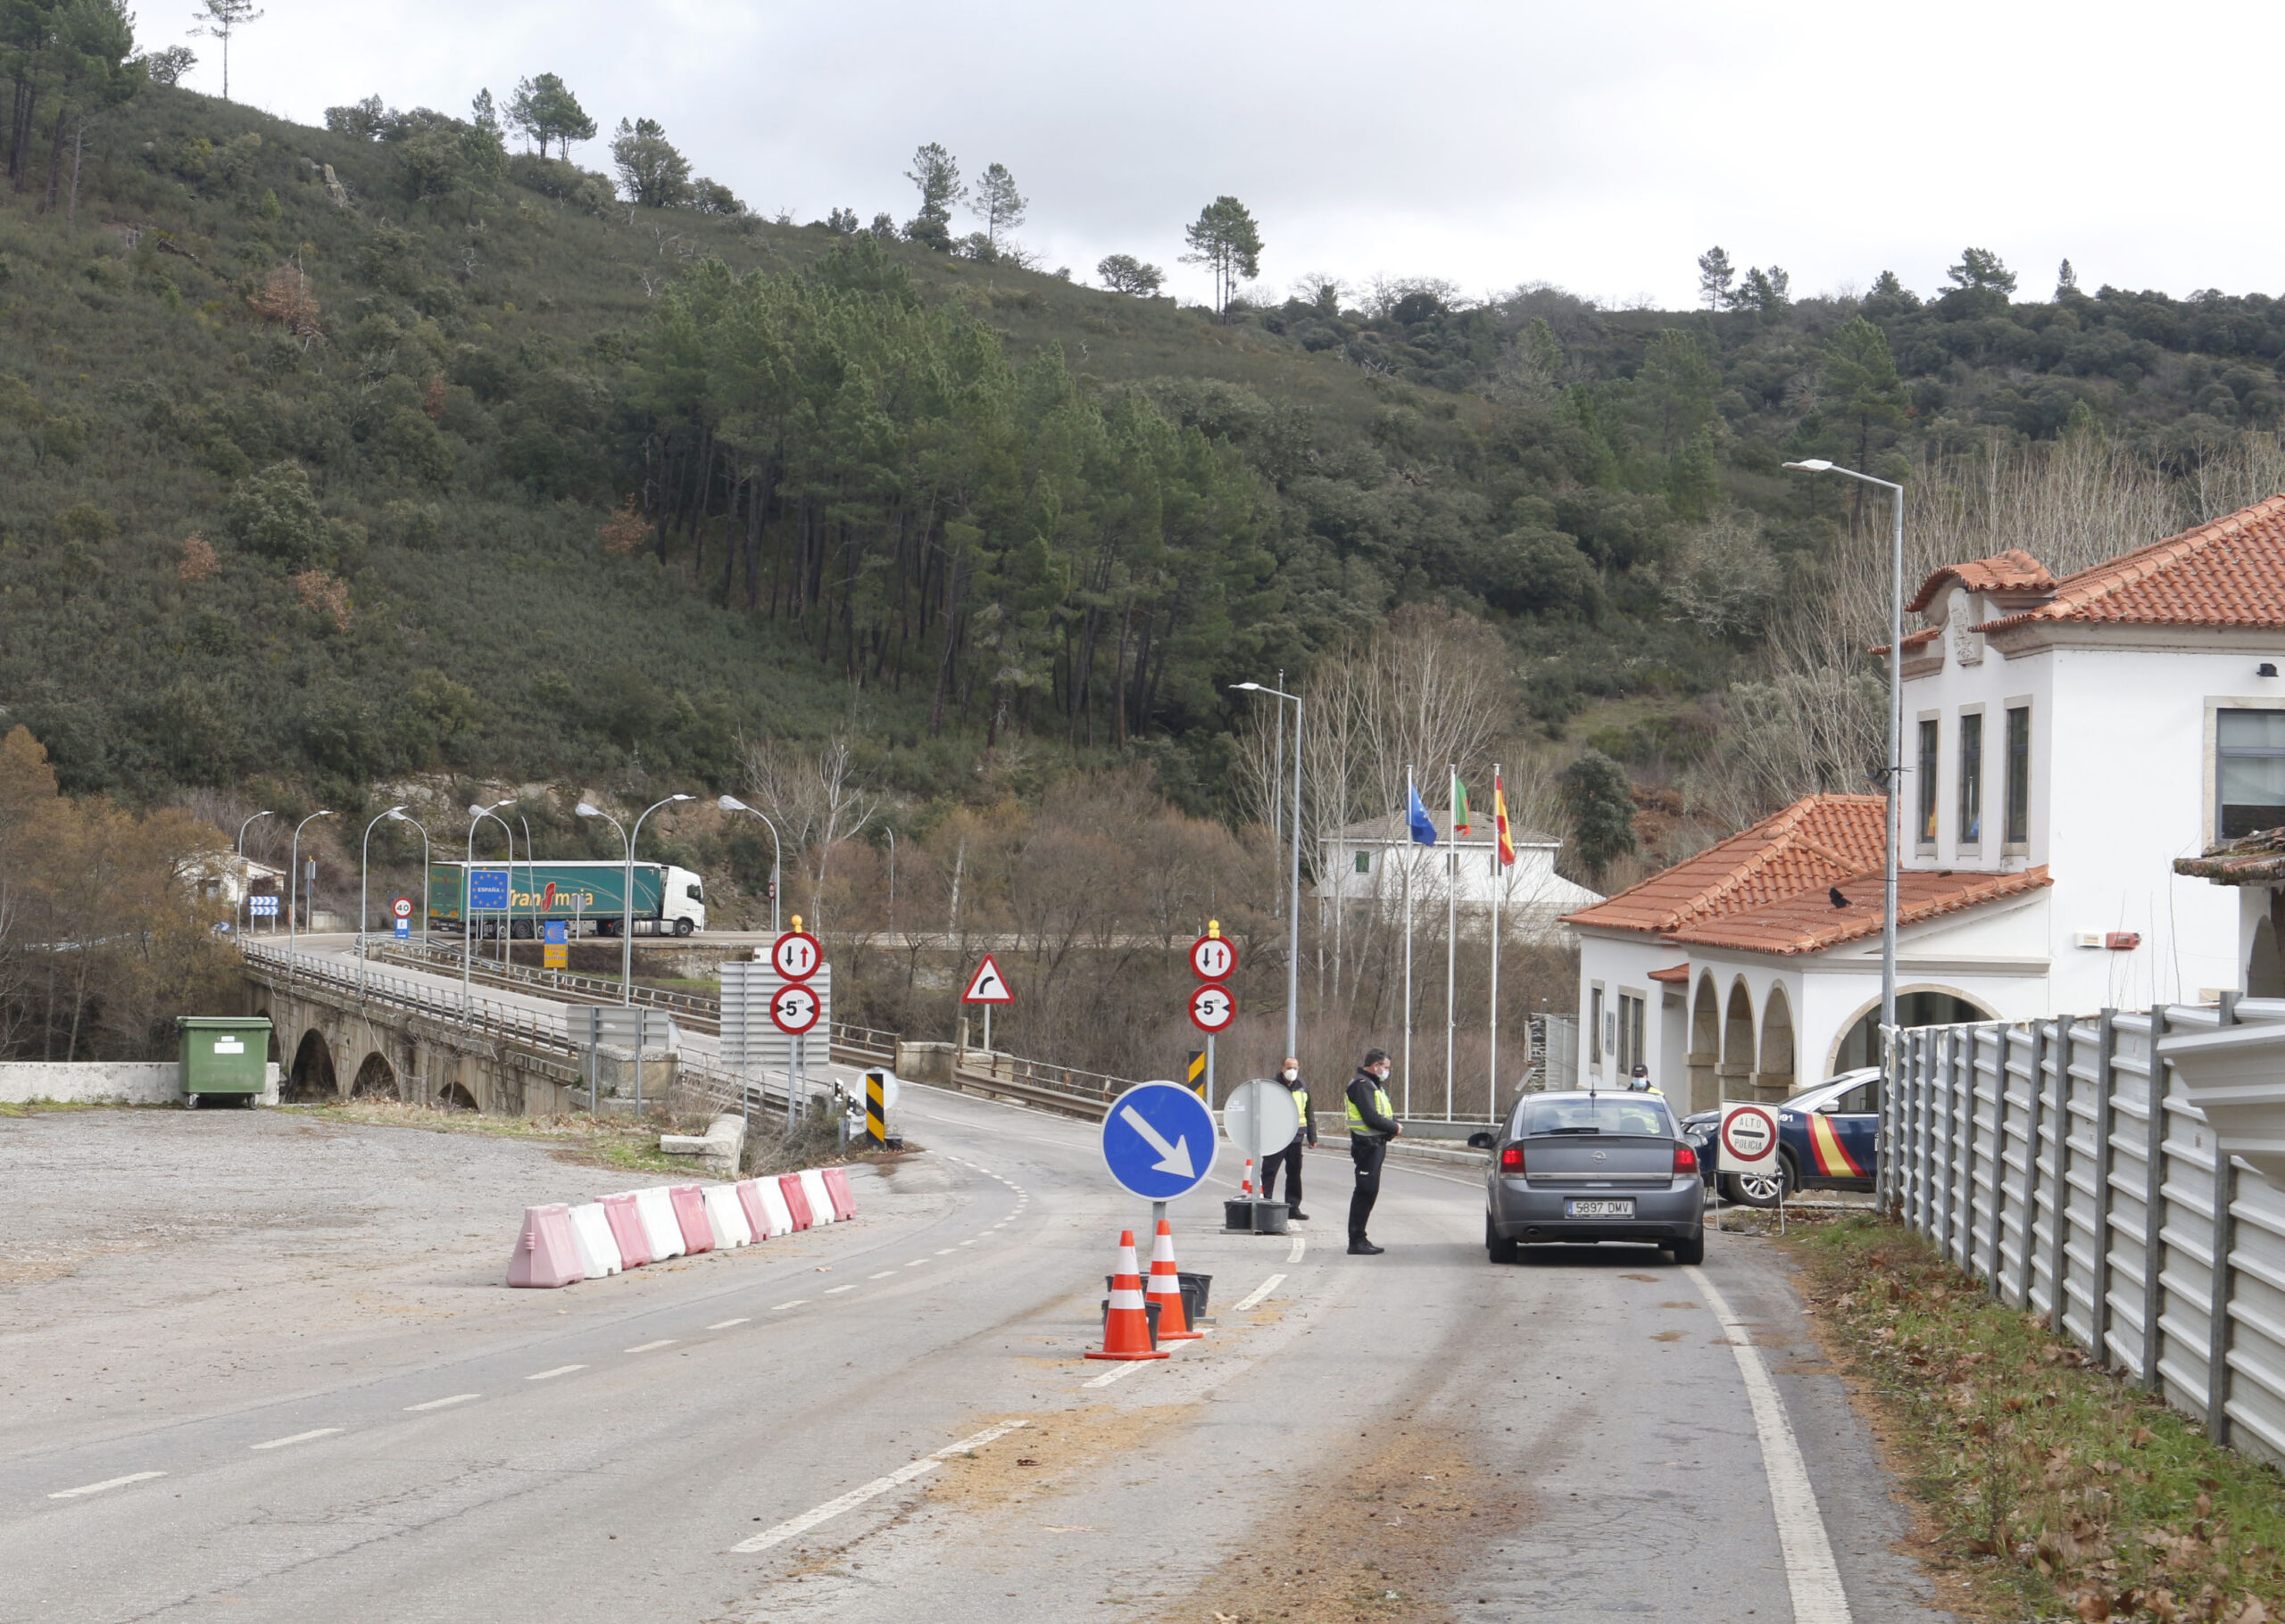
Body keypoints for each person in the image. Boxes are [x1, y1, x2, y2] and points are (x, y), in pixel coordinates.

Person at [1344, 1048, 1401, 1255]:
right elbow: (1370, 1117)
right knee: (1365, 1191)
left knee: (1370, 1192)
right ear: (1375, 1066)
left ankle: (1360, 1237)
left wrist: (1391, 1125)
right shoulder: (1362, 1086)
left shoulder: (1373, 1085)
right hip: (1366, 1146)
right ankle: (1356, 1240)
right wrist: (1394, 1127)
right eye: (1385, 1067)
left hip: (1375, 1144)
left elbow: (1383, 1113)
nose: (1387, 1071)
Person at [1259, 1056, 1317, 1221]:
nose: (1293, 1071)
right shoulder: (1272, 1086)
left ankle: (1293, 1207)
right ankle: (1264, 1204)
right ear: (1282, 1068)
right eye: (1290, 1067)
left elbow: (1309, 1112)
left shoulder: (1303, 1086)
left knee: (1294, 1172)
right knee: (1269, 1171)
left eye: (1296, 1068)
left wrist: (1312, 1135)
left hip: (1296, 1136)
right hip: (1276, 1136)